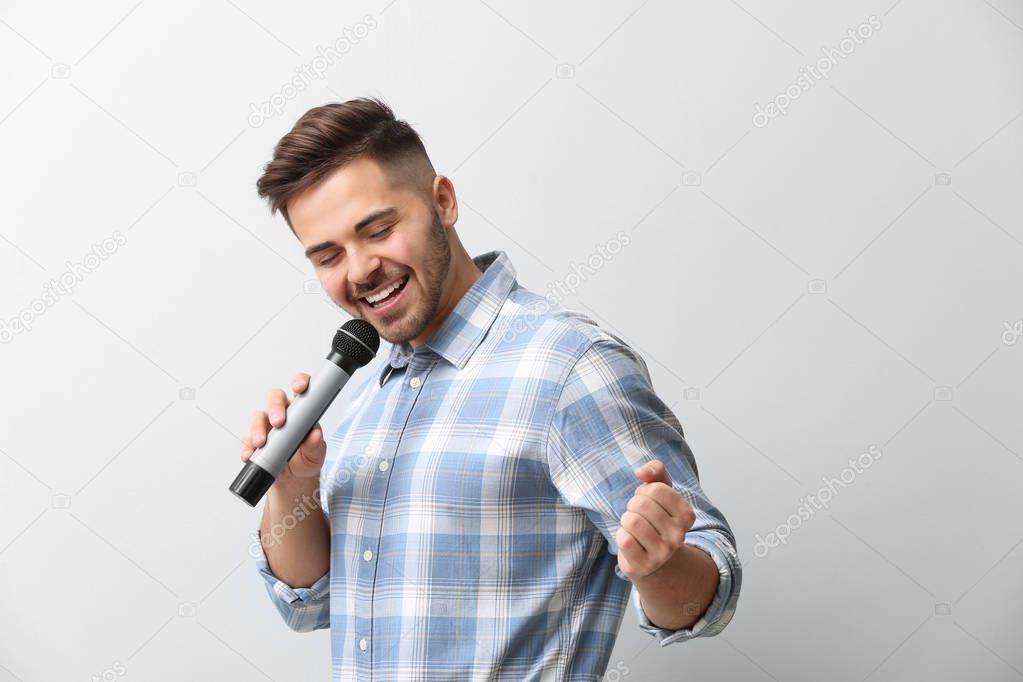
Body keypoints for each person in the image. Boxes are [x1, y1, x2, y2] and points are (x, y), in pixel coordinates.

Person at [240, 96, 742, 680]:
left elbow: (710, 601)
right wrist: (294, 484)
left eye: (377, 230)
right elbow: (312, 605)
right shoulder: (365, 391)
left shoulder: (569, 366)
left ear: (443, 202)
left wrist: (659, 563)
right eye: (328, 256)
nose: (358, 271)